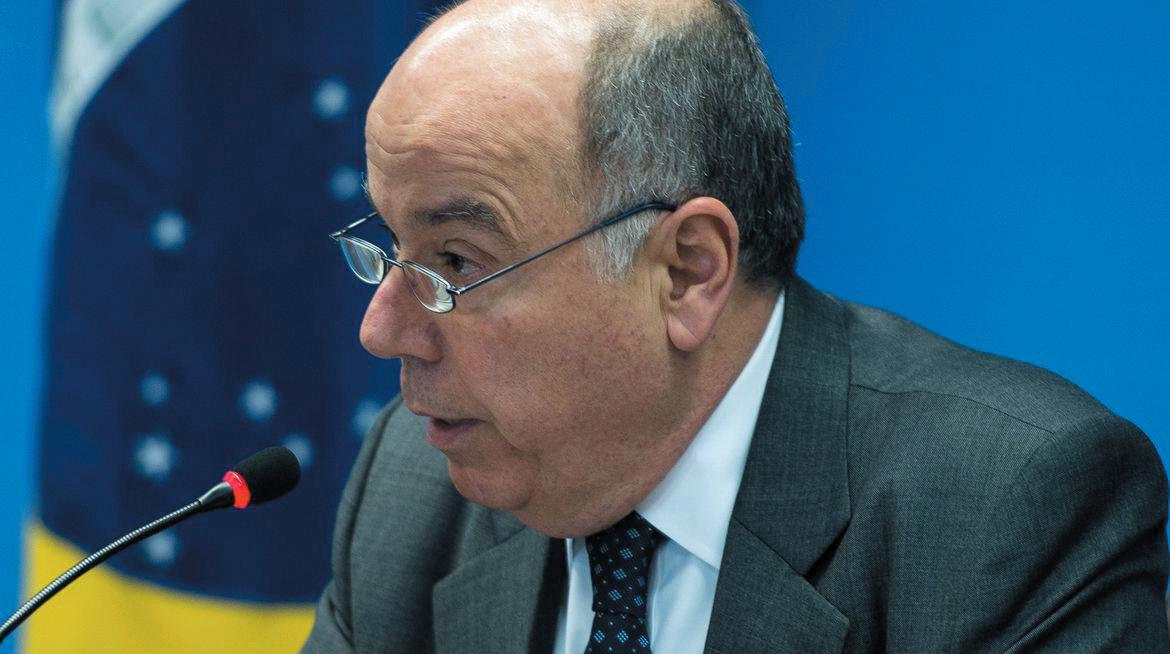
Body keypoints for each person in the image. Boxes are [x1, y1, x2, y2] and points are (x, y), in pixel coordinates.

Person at [302, 1, 1170, 652]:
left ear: (687, 272)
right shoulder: (411, 490)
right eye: (389, 243)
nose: (382, 330)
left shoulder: (1003, 514)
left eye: (456, 261)